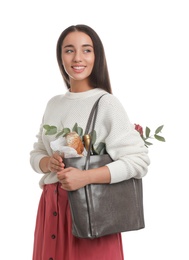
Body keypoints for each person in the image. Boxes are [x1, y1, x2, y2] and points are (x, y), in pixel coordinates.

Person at [30, 24, 150, 260]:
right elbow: (37, 153)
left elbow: (138, 161)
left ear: (97, 56)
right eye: (69, 50)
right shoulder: (53, 104)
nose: (77, 58)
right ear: (60, 56)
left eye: (86, 50)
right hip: (51, 209)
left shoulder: (106, 103)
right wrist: (48, 163)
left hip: (89, 210)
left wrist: (84, 176)